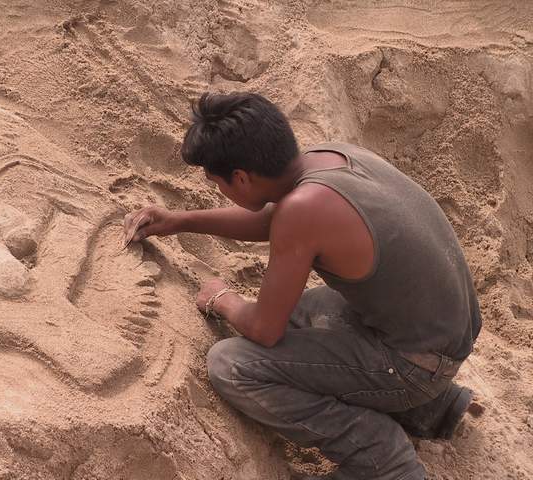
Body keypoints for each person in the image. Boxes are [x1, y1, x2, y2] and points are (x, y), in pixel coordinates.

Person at [122, 92, 481, 479]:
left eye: (218, 183)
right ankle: (432, 408)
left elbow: (264, 328)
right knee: (302, 312)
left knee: (232, 365)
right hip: (440, 333)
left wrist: (223, 299)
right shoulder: (328, 159)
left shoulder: (302, 210)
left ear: (241, 177)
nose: (221, 191)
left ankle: (383, 457)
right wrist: (179, 220)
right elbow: (275, 220)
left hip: (417, 364)